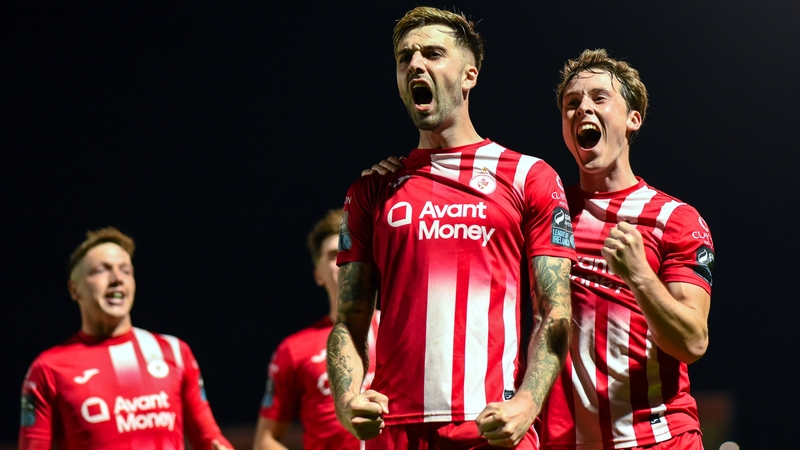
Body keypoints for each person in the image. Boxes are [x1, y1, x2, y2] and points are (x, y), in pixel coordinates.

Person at [366, 48, 716, 449]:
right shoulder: (545, 209)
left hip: (659, 439)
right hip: (560, 442)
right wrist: (404, 177)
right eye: (571, 104)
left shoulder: (675, 218)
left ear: (633, 119)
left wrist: (639, 275)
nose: (582, 109)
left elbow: (693, 343)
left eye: (599, 98)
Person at [327, 6, 576, 449]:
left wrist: (527, 403)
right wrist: (347, 399)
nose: (416, 64)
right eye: (405, 58)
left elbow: (554, 311)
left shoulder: (528, 176)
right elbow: (349, 319)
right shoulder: (372, 191)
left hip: (491, 427)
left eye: (433, 53)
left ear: (469, 76)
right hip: (396, 430)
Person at [19, 227, 233, 450]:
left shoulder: (175, 352)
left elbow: (209, 439)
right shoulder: (48, 369)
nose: (117, 279)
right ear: (74, 290)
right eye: (102, 270)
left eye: (125, 271)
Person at [253, 209, 379, 450]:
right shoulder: (293, 349)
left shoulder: (399, 330)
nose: (344, 262)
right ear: (318, 275)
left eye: (351, 252)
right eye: (334, 255)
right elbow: (265, 440)